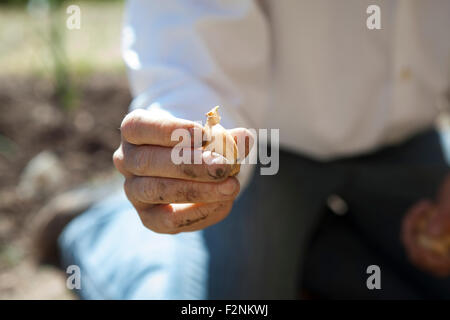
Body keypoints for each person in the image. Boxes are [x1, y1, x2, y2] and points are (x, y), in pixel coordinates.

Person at [54, 0, 450, 299]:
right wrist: (187, 147)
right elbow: (190, 31)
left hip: (408, 135)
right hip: (268, 152)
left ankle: (305, 242)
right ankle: (106, 231)